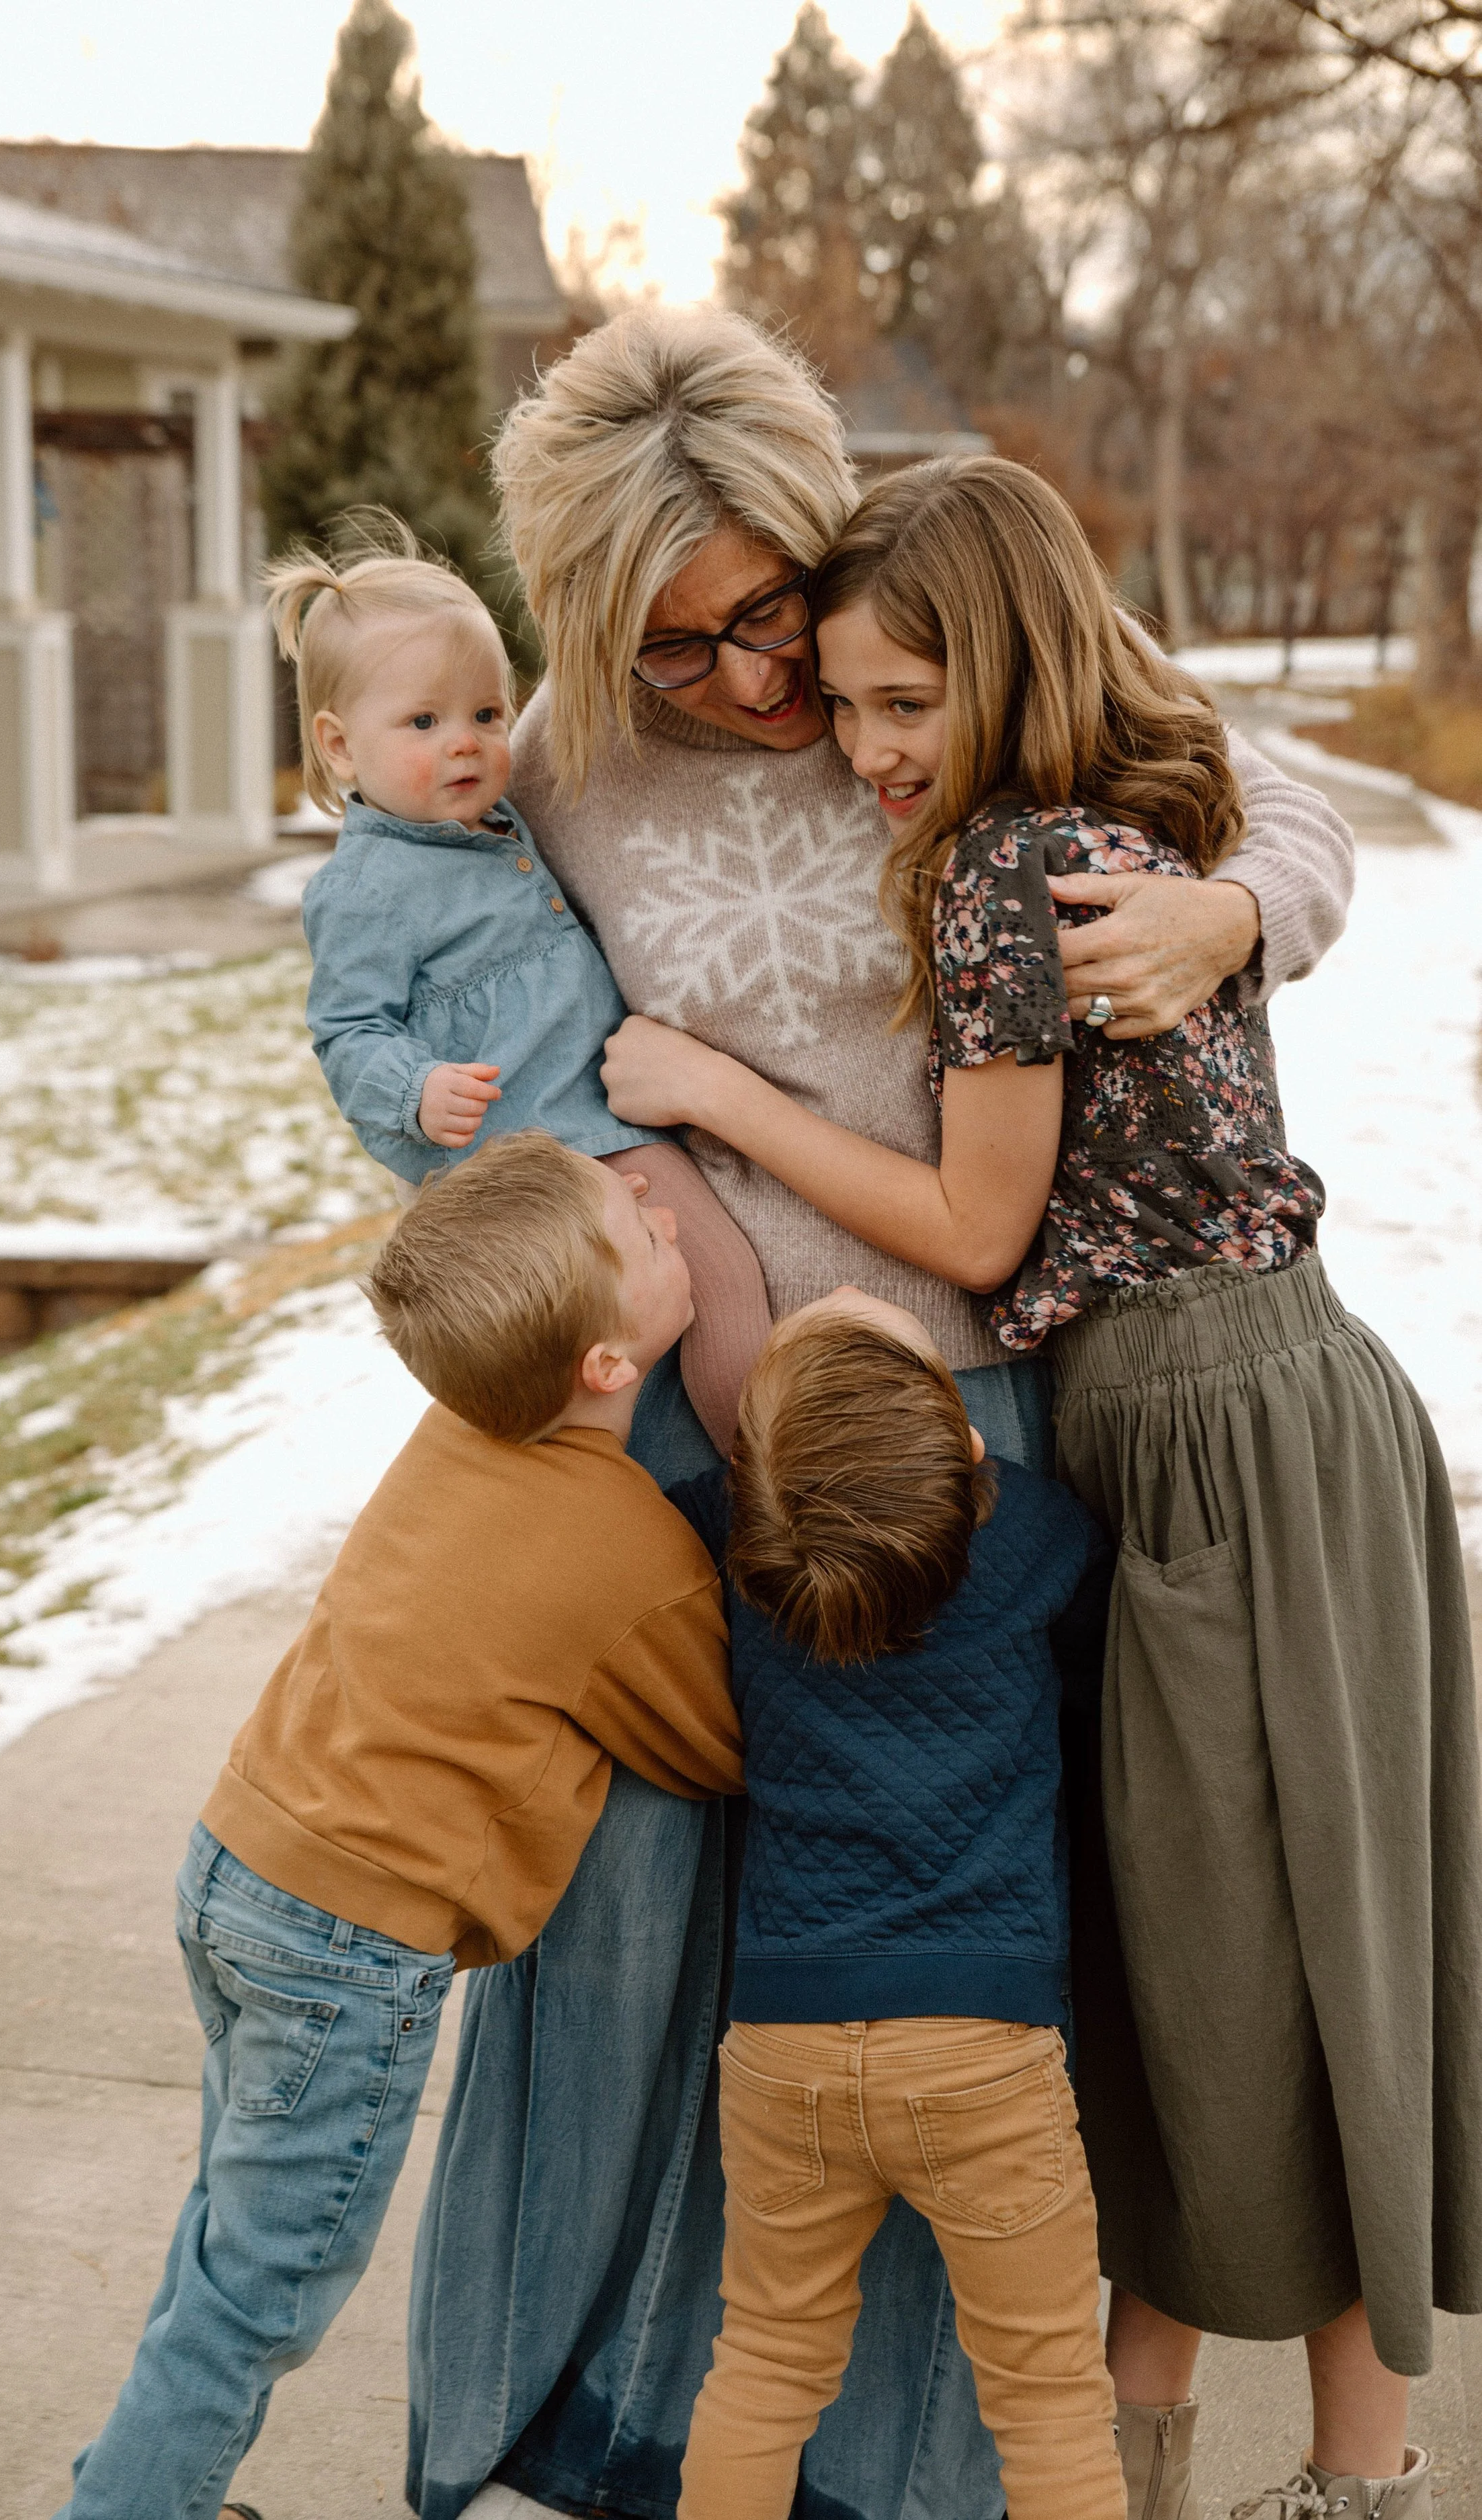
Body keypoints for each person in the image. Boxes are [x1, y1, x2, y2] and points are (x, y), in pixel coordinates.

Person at [407, 304, 1358, 2520]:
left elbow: (1265, 792)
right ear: (591, 625)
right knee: (651, 1930)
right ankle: (600, 2421)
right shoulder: (561, 758)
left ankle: (918, 2472)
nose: (755, 683)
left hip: (988, 1413)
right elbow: (426, 964)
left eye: (771, 615)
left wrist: (1224, 913)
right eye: (685, 649)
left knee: (969, 1948)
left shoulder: (915, 645)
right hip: (703, 1437)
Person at [600, 453, 1482, 2520]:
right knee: (1206, 1959)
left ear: (1005, 668)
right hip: (1258, 1406)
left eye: (907, 699)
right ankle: (1165, 2458)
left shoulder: (1011, 874)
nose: (863, 743)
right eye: (846, 698)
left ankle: (1357, 2480)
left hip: (1219, 1440)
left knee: (1268, 1955)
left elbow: (979, 1229)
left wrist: (712, 1089)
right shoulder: (1113, 809)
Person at [55, 1132, 745, 2520]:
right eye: (639, 1229)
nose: (663, 1208)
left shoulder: (459, 1424)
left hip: (237, 1864)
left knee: (221, 2248)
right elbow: (717, 1749)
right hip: (344, 1949)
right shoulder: (625, 1549)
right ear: (606, 1370)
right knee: (255, 2306)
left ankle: (146, 2491)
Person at [669, 1284, 1122, 2520]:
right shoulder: (1030, 1534)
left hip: (785, 2048)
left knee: (763, 2359)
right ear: (968, 1445)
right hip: (984, 2049)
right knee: (1048, 2396)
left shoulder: (733, 1545)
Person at [267, 518, 770, 1456]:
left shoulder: (492, 820)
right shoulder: (367, 890)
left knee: (647, 1340)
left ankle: (707, 1486)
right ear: (339, 748)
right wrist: (415, 1091)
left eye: (487, 715)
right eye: (424, 722)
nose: (465, 743)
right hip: (551, 1156)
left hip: (595, 1127)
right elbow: (345, 1031)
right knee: (716, 1286)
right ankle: (781, 1488)